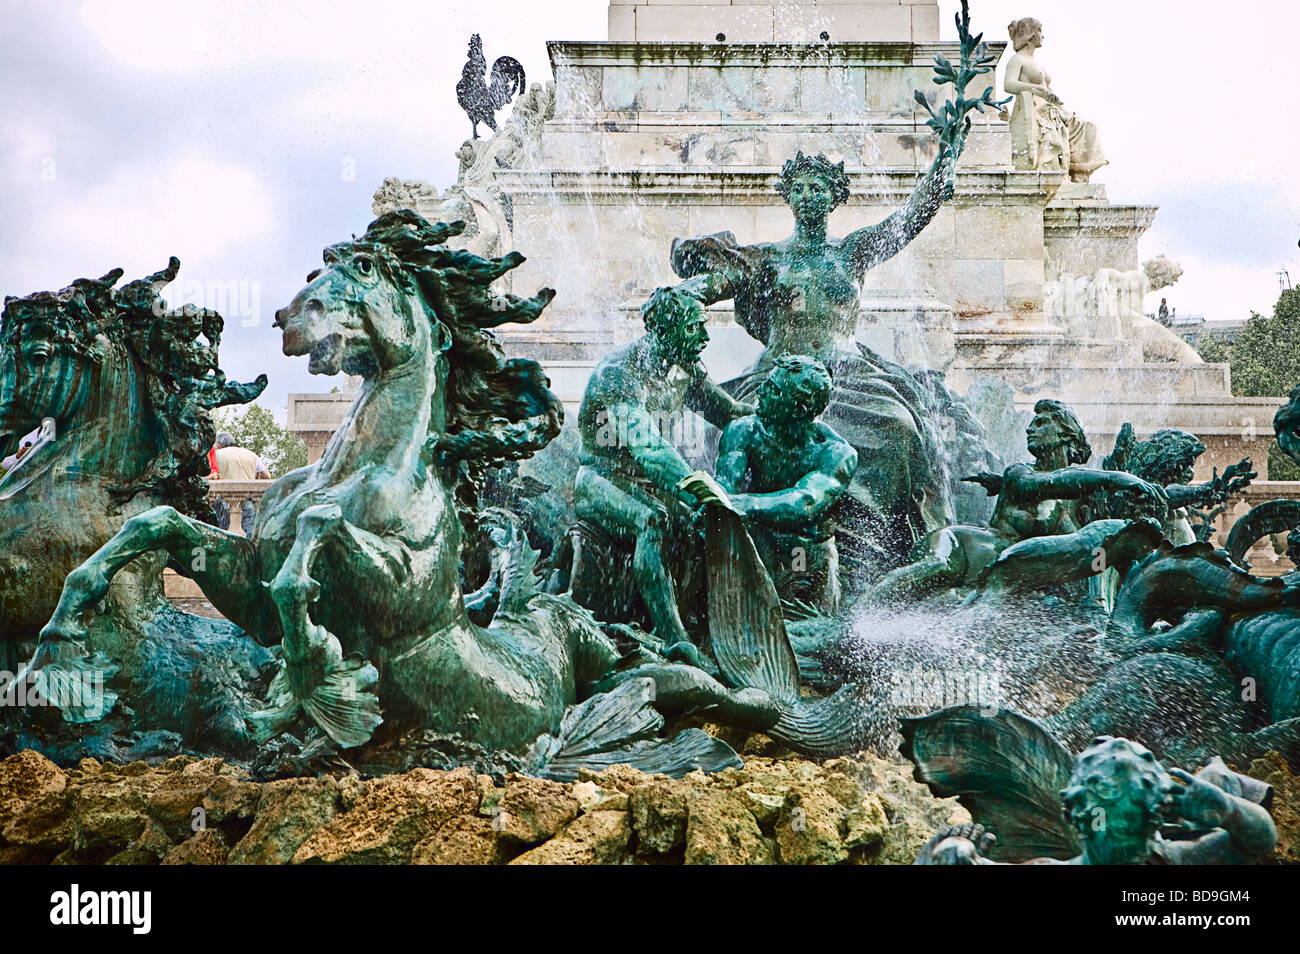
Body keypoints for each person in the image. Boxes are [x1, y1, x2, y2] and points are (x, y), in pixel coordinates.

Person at [670, 149, 968, 576]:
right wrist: (688, 297)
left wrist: (945, 160)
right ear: (789, 198)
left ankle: (878, 548)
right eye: (800, 189)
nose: (808, 196)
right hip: (778, 378)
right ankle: (748, 550)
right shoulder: (768, 259)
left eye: (818, 188)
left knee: (899, 427)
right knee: (739, 432)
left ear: (834, 197)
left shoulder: (853, 252)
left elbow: (907, 220)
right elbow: (718, 281)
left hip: (851, 375)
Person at [573, 286, 751, 649]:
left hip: (648, 482)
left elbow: (729, 412)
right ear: (663, 329)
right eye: (692, 328)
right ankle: (674, 640)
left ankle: (715, 632)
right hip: (599, 479)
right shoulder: (618, 374)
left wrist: (775, 419)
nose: (704, 337)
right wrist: (700, 489)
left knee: (697, 527)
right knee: (651, 520)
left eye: (704, 326)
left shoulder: (684, 368)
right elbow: (649, 449)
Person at [707, 356, 858, 612]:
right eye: (767, 382)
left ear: (798, 410)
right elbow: (725, 485)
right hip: (762, 541)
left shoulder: (836, 452)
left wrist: (744, 503)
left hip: (809, 552)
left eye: (774, 389)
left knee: (814, 632)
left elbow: (806, 502)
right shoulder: (743, 430)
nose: (761, 392)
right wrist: (712, 499)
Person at [210, 432, 269, 537]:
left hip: (224, 505)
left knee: (225, 538)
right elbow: (267, 476)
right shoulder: (251, 454)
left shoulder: (217, 454)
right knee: (247, 541)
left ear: (219, 445)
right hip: (247, 504)